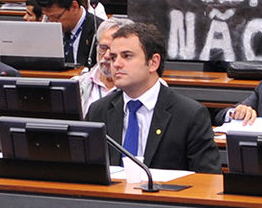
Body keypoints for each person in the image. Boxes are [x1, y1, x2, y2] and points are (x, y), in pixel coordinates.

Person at [85, 18, 220, 173]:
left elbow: (208, 180)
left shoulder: (189, 115)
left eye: (127, 56)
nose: (116, 64)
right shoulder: (99, 111)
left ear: (153, 62)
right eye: (114, 57)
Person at [31, 0, 97, 67]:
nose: (52, 23)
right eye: (48, 17)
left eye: (57, 17)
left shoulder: (99, 30)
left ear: (74, 7)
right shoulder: (46, 29)